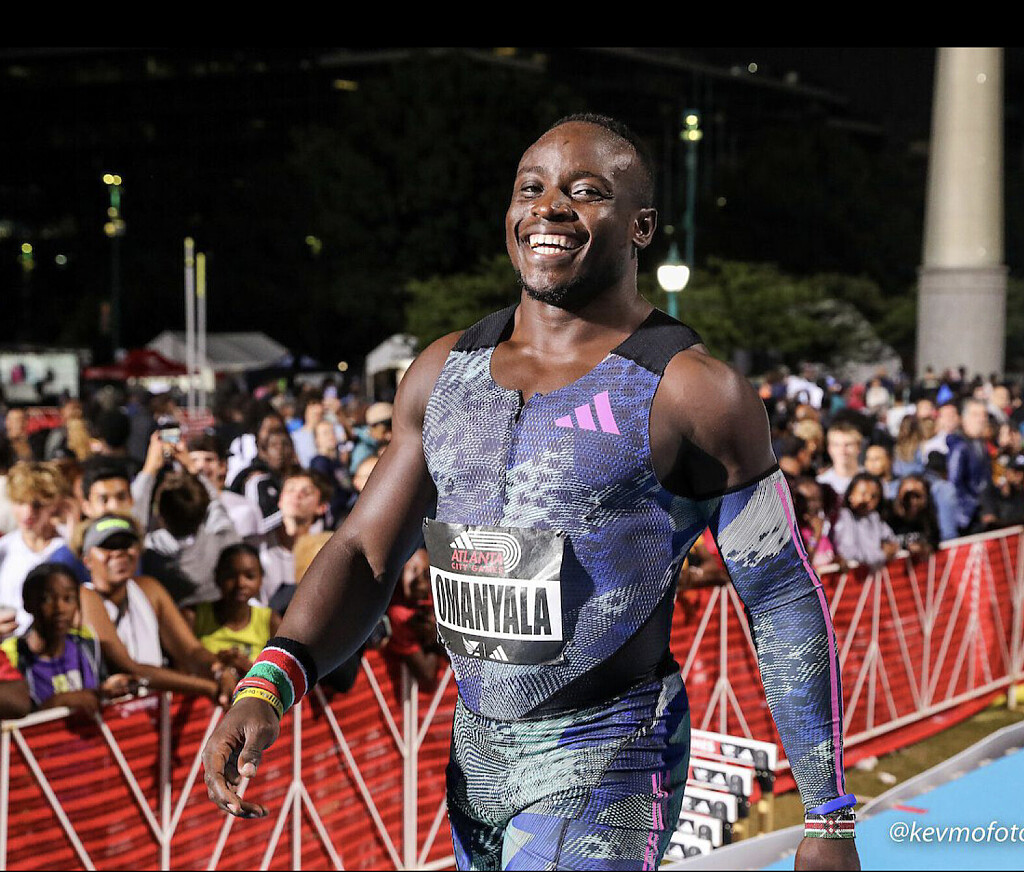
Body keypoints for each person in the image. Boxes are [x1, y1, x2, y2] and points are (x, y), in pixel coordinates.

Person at [203, 114, 859, 871]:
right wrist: (268, 682)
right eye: (531, 189)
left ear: (641, 227)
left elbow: (781, 595)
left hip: (610, 748)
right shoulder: (443, 372)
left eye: (587, 192)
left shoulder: (695, 392)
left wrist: (828, 816)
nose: (550, 207)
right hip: (475, 756)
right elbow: (363, 551)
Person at [2, 562, 131, 713]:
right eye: (46, 599)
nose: (59, 608)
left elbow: (95, 693)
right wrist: (56, 702)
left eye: (68, 599)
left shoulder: (87, 646)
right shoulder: (12, 654)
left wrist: (106, 689)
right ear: (27, 603)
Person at [0, 461, 86, 635]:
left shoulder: (68, 544)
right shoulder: (4, 548)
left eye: (37, 504)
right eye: (20, 502)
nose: (28, 512)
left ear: (54, 504)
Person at [190, 543, 280, 665]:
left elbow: (281, 670)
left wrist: (246, 666)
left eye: (249, 576)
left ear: (261, 579)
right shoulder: (194, 617)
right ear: (217, 577)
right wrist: (216, 663)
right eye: (231, 576)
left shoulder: (270, 622)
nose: (240, 583)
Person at [187, 432, 262, 540]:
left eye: (209, 459)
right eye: (193, 460)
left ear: (222, 466)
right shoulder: (181, 507)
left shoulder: (242, 509)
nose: (201, 466)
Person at [947, 398, 994, 535]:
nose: (981, 419)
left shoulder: (980, 443)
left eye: (984, 415)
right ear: (964, 419)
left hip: (984, 511)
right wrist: (974, 509)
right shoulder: (959, 446)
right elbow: (954, 483)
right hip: (969, 518)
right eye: (975, 415)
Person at [833, 472, 898, 569]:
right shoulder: (845, 516)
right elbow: (848, 553)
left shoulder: (874, 517)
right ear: (851, 495)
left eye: (873, 496)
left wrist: (891, 547)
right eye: (863, 494)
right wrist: (881, 555)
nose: (868, 499)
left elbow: (892, 540)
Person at [816, 420, 864, 499]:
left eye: (848, 445)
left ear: (858, 447)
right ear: (829, 449)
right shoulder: (821, 482)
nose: (842, 450)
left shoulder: (872, 481)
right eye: (836, 445)